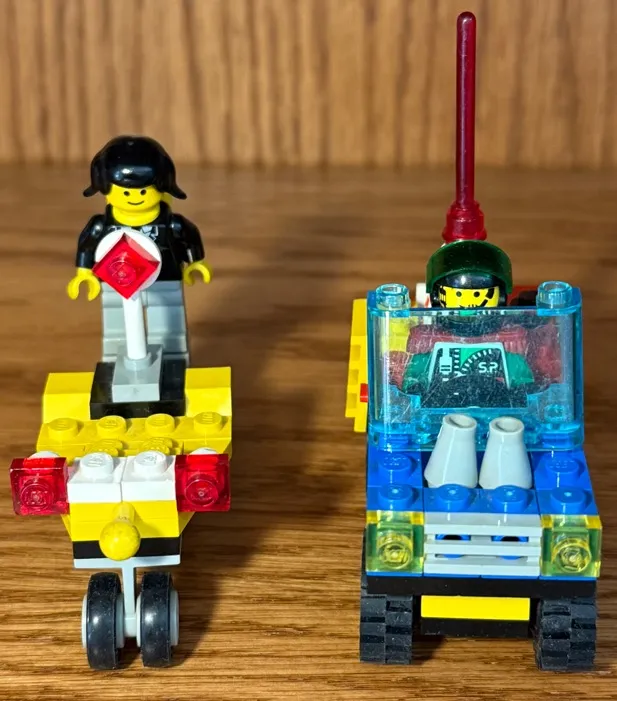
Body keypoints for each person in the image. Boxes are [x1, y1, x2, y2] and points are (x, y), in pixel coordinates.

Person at [67, 135, 210, 362]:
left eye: (143, 190)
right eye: (125, 191)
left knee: (167, 326)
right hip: (116, 281)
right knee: (117, 328)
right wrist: (84, 273)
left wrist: (195, 262)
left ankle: (173, 362)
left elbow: (189, 235)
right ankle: (114, 362)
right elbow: (87, 244)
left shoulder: (170, 223)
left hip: (164, 278)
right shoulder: (102, 225)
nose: (134, 196)